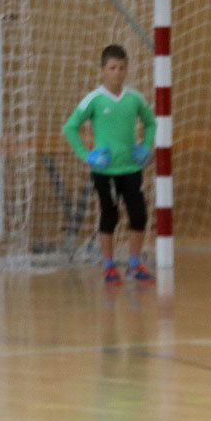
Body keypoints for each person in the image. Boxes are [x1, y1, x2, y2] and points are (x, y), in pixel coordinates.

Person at [62, 44, 156, 284]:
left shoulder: (134, 98)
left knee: (139, 215)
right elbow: (70, 127)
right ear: (103, 70)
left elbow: (151, 123)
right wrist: (87, 155)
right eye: (113, 68)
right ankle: (109, 266)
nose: (118, 72)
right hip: (105, 172)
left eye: (122, 68)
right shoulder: (94, 99)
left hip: (131, 169)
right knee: (110, 216)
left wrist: (145, 146)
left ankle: (134, 264)